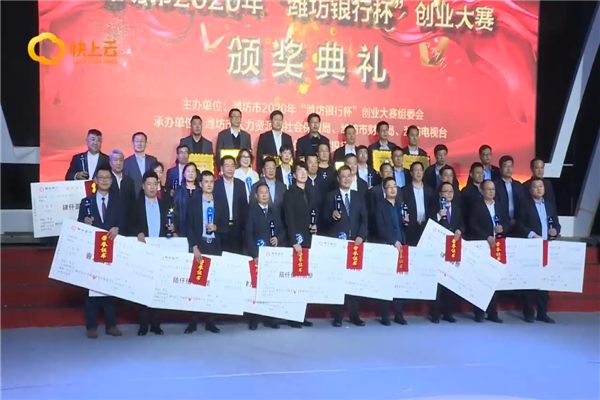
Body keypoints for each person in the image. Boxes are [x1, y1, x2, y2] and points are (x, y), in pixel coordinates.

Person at [77, 166, 124, 339]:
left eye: (107, 178)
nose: (104, 180)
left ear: (111, 181)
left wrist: (118, 228)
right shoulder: (86, 202)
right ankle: (91, 326)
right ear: (95, 180)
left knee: (110, 287)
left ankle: (111, 325)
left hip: (112, 248)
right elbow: (79, 224)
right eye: (101, 177)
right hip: (92, 248)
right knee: (91, 287)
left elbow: (123, 222)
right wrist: (84, 222)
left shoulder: (118, 202)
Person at [322, 166, 368, 327]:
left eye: (349, 176)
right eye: (343, 176)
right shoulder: (330, 197)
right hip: (338, 245)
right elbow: (323, 221)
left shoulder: (358, 196)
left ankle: (354, 315)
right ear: (338, 179)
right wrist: (331, 217)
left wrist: (361, 236)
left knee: (354, 281)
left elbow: (364, 220)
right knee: (338, 281)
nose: (346, 179)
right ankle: (338, 316)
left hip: (356, 244)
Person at [132, 171, 175, 336]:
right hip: (143, 250)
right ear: (143, 186)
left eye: (154, 184)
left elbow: (171, 224)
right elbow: (129, 224)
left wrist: (172, 228)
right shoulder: (136, 205)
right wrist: (138, 232)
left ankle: (156, 324)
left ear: (158, 186)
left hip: (160, 250)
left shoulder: (164, 205)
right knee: (143, 288)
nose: (151, 187)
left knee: (158, 287)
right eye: (148, 184)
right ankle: (143, 324)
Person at [186, 171, 229, 334]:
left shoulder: (220, 202)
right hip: (200, 245)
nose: (209, 184)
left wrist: (217, 227)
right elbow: (188, 226)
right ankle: (193, 321)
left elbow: (227, 225)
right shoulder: (194, 202)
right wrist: (194, 246)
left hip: (215, 246)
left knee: (213, 283)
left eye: (212, 181)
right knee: (196, 283)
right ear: (200, 184)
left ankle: (211, 321)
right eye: (206, 182)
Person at [517, 178, 560, 324]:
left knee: (544, 280)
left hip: (547, 246)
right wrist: (533, 235)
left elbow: (557, 224)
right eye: (535, 187)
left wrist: (555, 231)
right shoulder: (525, 205)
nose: (538, 189)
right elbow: (520, 225)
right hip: (531, 246)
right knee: (530, 279)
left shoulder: (550, 205)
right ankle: (528, 312)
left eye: (541, 186)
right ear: (530, 190)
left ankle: (542, 313)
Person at [244, 182, 286, 330]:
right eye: (261, 193)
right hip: (257, 255)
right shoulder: (251, 212)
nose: (264, 195)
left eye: (266, 193)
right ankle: (254, 319)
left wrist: (278, 239)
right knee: (256, 288)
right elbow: (248, 235)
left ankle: (270, 318)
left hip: (272, 255)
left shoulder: (274, 212)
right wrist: (254, 254)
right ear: (256, 196)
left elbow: (282, 230)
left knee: (271, 286)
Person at [465, 180, 508, 323]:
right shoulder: (476, 206)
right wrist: (486, 236)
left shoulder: (500, 206)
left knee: (494, 280)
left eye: (493, 189)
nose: (491, 191)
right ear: (481, 191)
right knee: (481, 280)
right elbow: (472, 224)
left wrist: (503, 228)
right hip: (482, 246)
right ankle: (479, 312)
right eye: (488, 189)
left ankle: (492, 313)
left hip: (498, 246)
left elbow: (507, 221)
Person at [282, 161, 316, 328]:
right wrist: (294, 241)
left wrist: (315, 226)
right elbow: (288, 219)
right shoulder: (290, 193)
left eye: (305, 170)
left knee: (304, 279)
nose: (303, 173)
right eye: (299, 171)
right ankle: (292, 315)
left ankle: (302, 315)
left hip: (309, 239)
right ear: (294, 175)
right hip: (296, 242)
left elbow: (313, 215)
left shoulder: (310, 193)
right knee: (294, 279)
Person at [427, 182, 463, 323]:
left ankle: (448, 313)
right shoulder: (433, 208)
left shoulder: (458, 209)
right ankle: (435, 314)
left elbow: (463, 224)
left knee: (450, 280)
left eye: (451, 192)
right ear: (440, 194)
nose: (448, 194)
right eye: (445, 192)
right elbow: (428, 224)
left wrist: (460, 230)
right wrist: (438, 215)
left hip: (453, 248)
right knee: (437, 283)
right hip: (438, 248)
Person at [376, 177, 409, 325]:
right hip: (387, 246)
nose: (392, 189)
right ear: (384, 190)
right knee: (386, 281)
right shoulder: (380, 206)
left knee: (400, 281)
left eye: (394, 186)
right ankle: (385, 315)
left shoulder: (402, 205)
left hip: (401, 246)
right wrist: (393, 241)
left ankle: (399, 314)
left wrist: (406, 222)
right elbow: (380, 227)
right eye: (389, 186)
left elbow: (404, 226)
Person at [214, 156, 248, 254]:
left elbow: (244, 207)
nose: (230, 169)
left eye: (232, 166)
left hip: (237, 229)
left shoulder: (240, 184)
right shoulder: (216, 185)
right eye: (227, 166)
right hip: (220, 228)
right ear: (221, 168)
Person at [403, 162, 434, 246]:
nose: (419, 172)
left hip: (427, 226)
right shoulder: (404, 190)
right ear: (411, 173)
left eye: (421, 170)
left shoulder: (430, 190)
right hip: (411, 227)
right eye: (416, 170)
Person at [495, 155, 525, 236]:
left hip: (518, 225)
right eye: (505, 166)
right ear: (500, 168)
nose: (508, 169)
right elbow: (497, 206)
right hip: (501, 224)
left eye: (510, 166)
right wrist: (508, 221)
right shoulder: (495, 185)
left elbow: (522, 205)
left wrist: (516, 220)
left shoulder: (518, 185)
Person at [108, 149, 136, 232]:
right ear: (110, 162)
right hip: (110, 226)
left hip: (127, 225)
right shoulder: (106, 180)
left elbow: (132, 204)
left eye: (121, 160)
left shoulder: (129, 180)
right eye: (115, 160)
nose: (118, 163)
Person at [368, 163, 395, 242]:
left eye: (390, 171)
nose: (389, 173)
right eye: (386, 171)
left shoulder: (398, 190)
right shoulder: (374, 191)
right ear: (380, 174)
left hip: (394, 231)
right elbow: (371, 211)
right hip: (377, 232)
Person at [172, 162, 201, 238]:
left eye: (193, 171)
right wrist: (174, 231)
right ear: (184, 174)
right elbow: (175, 211)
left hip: (197, 230)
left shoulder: (200, 191)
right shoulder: (179, 190)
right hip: (181, 229)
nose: (190, 174)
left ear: (196, 174)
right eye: (188, 171)